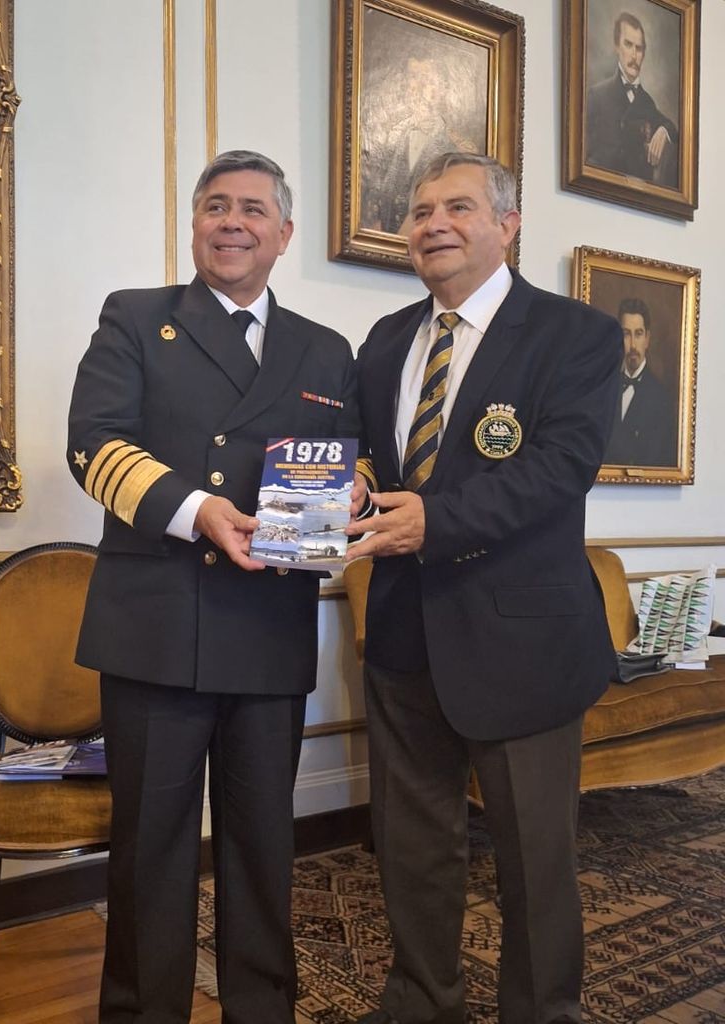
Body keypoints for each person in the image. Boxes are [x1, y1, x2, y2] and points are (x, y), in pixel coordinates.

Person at [67, 149, 358, 1024]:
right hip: (154, 628)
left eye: (253, 210)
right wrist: (200, 512)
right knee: (150, 851)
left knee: (262, 849)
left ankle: (260, 1011)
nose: (232, 222)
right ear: (194, 224)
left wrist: (352, 497)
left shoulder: (325, 348)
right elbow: (94, 445)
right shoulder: (135, 317)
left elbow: (357, 468)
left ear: (284, 234)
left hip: (267, 628)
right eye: (215, 206)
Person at [346, 152, 621, 1024]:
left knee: (533, 861)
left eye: (457, 207)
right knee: (412, 848)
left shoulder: (575, 333)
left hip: (524, 643)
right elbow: (368, 456)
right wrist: (347, 482)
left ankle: (543, 1012)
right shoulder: (386, 339)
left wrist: (437, 521)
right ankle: (421, 1002)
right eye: (420, 211)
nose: (433, 224)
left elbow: (559, 470)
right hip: (399, 636)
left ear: (508, 224)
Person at [361, 55, 477, 235]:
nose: (420, 87)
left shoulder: (460, 150)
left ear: (444, 89)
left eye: (429, 80)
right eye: (414, 77)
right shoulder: (388, 138)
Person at [585, 11, 678, 186]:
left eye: (639, 48)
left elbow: (672, 127)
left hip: (638, 202)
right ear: (616, 46)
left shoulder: (647, 102)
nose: (634, 55)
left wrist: (664, 130)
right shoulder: (596, 95)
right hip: (599, 193)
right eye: (628, 45)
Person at [604, 296, 677, 467]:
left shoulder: (661, 399)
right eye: (626, 334)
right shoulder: (606, 387)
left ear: (647, 339)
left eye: (638, 334)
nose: (633, 345)